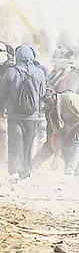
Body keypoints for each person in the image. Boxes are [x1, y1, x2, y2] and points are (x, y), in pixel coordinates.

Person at [0, 45, 46, 179]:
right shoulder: (39, 73)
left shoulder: (11, 72)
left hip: (14, 115)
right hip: (32, 116)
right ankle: (26, 171)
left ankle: (14, 169)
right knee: (28, 143)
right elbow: (42, 93)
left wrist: (1, 112)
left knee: (15, 142)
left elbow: (2, 94)